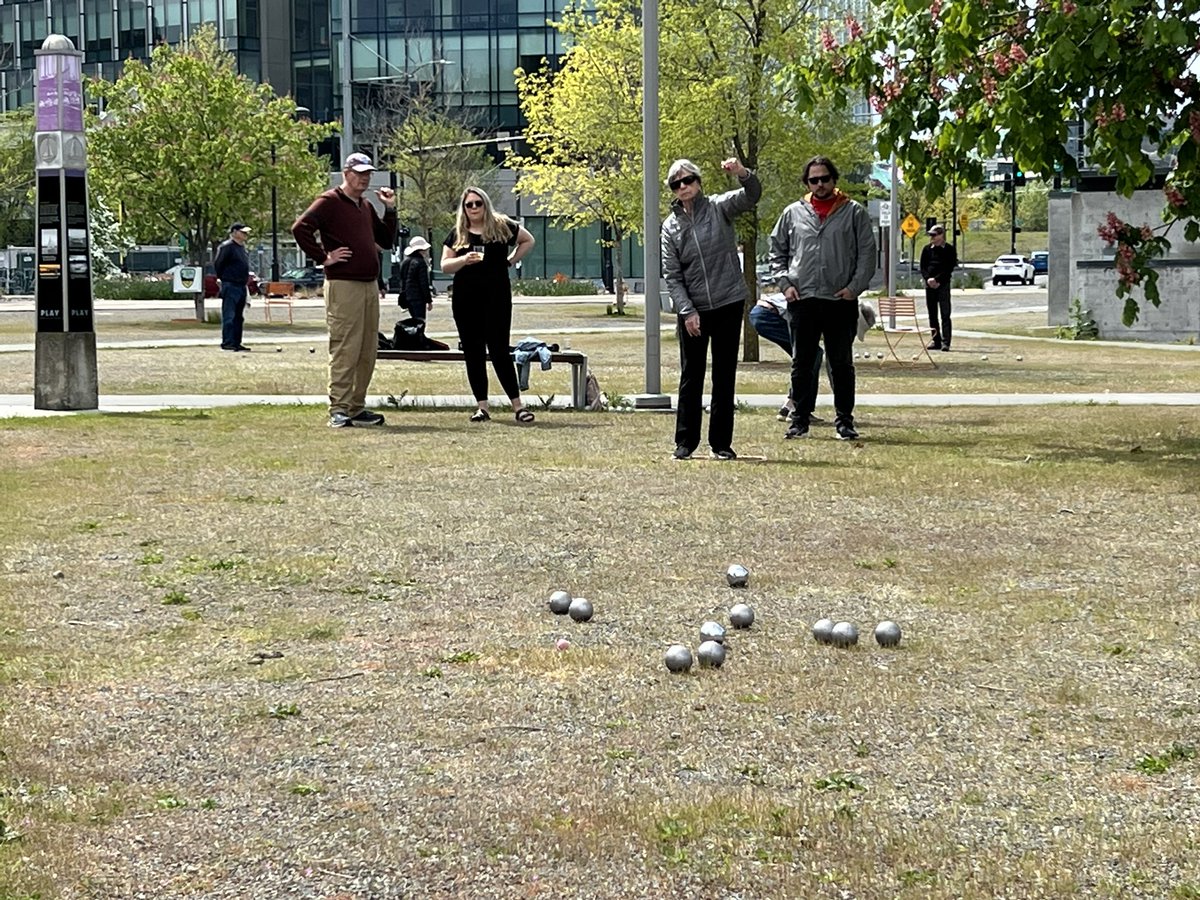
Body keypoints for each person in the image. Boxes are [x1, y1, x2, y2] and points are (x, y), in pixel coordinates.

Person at [768, 155, 875, 441]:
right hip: (802, 300)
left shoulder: (854, 212)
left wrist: (854, 288)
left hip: (840, 300)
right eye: (813, 180)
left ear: (834, 179)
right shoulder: (792, 213)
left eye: (824, 178)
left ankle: (844, 421)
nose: (820, 184)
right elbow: (776, 251)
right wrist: (785, 284)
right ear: (807, 182)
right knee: (802, 363)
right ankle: (799, 420)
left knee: (840, 363)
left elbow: (867, 255)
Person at [661, 157, 761, 460]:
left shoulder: (719, 207)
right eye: (676, 184)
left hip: (728, 302)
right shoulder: (670, 226)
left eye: (688, 180)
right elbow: (672, 275)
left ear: (699, 182)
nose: (683, 187)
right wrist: (688, 311)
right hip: (694, 309)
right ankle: (685, 442)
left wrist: (742, 173)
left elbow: (752, 195)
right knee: (691, 375)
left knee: (724, 374)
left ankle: (721, 443)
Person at [292, 152, 397, 429]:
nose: (364, 178)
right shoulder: (329, 201)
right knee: (345, 347)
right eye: (359, 172)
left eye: (368, 173)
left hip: (368, 285)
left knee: (367, 349)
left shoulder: (364, 206)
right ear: (345, 173)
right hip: (344, 284)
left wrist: (390, 209)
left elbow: (385, 240)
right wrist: (323, 257)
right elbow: (301, 228)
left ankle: (356, 407)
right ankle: (338, 408)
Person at [439, 186, 536, 424]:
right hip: (465, 299)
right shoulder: (458, 233)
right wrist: (463, 259)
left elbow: (528, 240)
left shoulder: (502, 226)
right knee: (473, 352)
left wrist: (510, 261)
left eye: (477, 203)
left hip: (496, 297)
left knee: (499, 350)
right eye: (468, 204)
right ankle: (482, 406)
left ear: (485, 204)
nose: (473, 208)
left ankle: (518, 406)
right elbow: (444, 265)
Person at [749, 292, 826, 423]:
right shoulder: (820, 301)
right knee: (811, 356)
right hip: (767, 314)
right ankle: (797, 408)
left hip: (762, 314)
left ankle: (790, 407)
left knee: (809, 356)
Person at [213, 223, 252, 352]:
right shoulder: (227, 247)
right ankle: (227, 342)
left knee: (238, 317)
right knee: (229, 315)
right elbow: (219, 264)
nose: (245, 235)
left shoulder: (242, 248)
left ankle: (236, 342)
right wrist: (222, 278)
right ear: (234, 232)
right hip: (230, 284)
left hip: (241, 285)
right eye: (242, 232)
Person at [919, 222, 958, 351]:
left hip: (943, 285)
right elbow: (923, 266)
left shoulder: (949, 250)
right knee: (932, 314)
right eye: (931, 235)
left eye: (934, 235)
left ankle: (945, 342)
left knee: (945, 314)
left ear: (941, 235)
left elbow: (949, 268)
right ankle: (935, 340)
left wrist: (937, 280)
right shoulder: (926, 249)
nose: (932, 238)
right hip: (929, 285)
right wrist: (928, 279)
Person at [398, 235, 434, 325]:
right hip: (418, 297)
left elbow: (402, 280)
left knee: (414, 321)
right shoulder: (421, 263)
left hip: (407, 296)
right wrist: (428, 300)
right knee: (420, 322)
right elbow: (423, 283)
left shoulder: (405, 262)